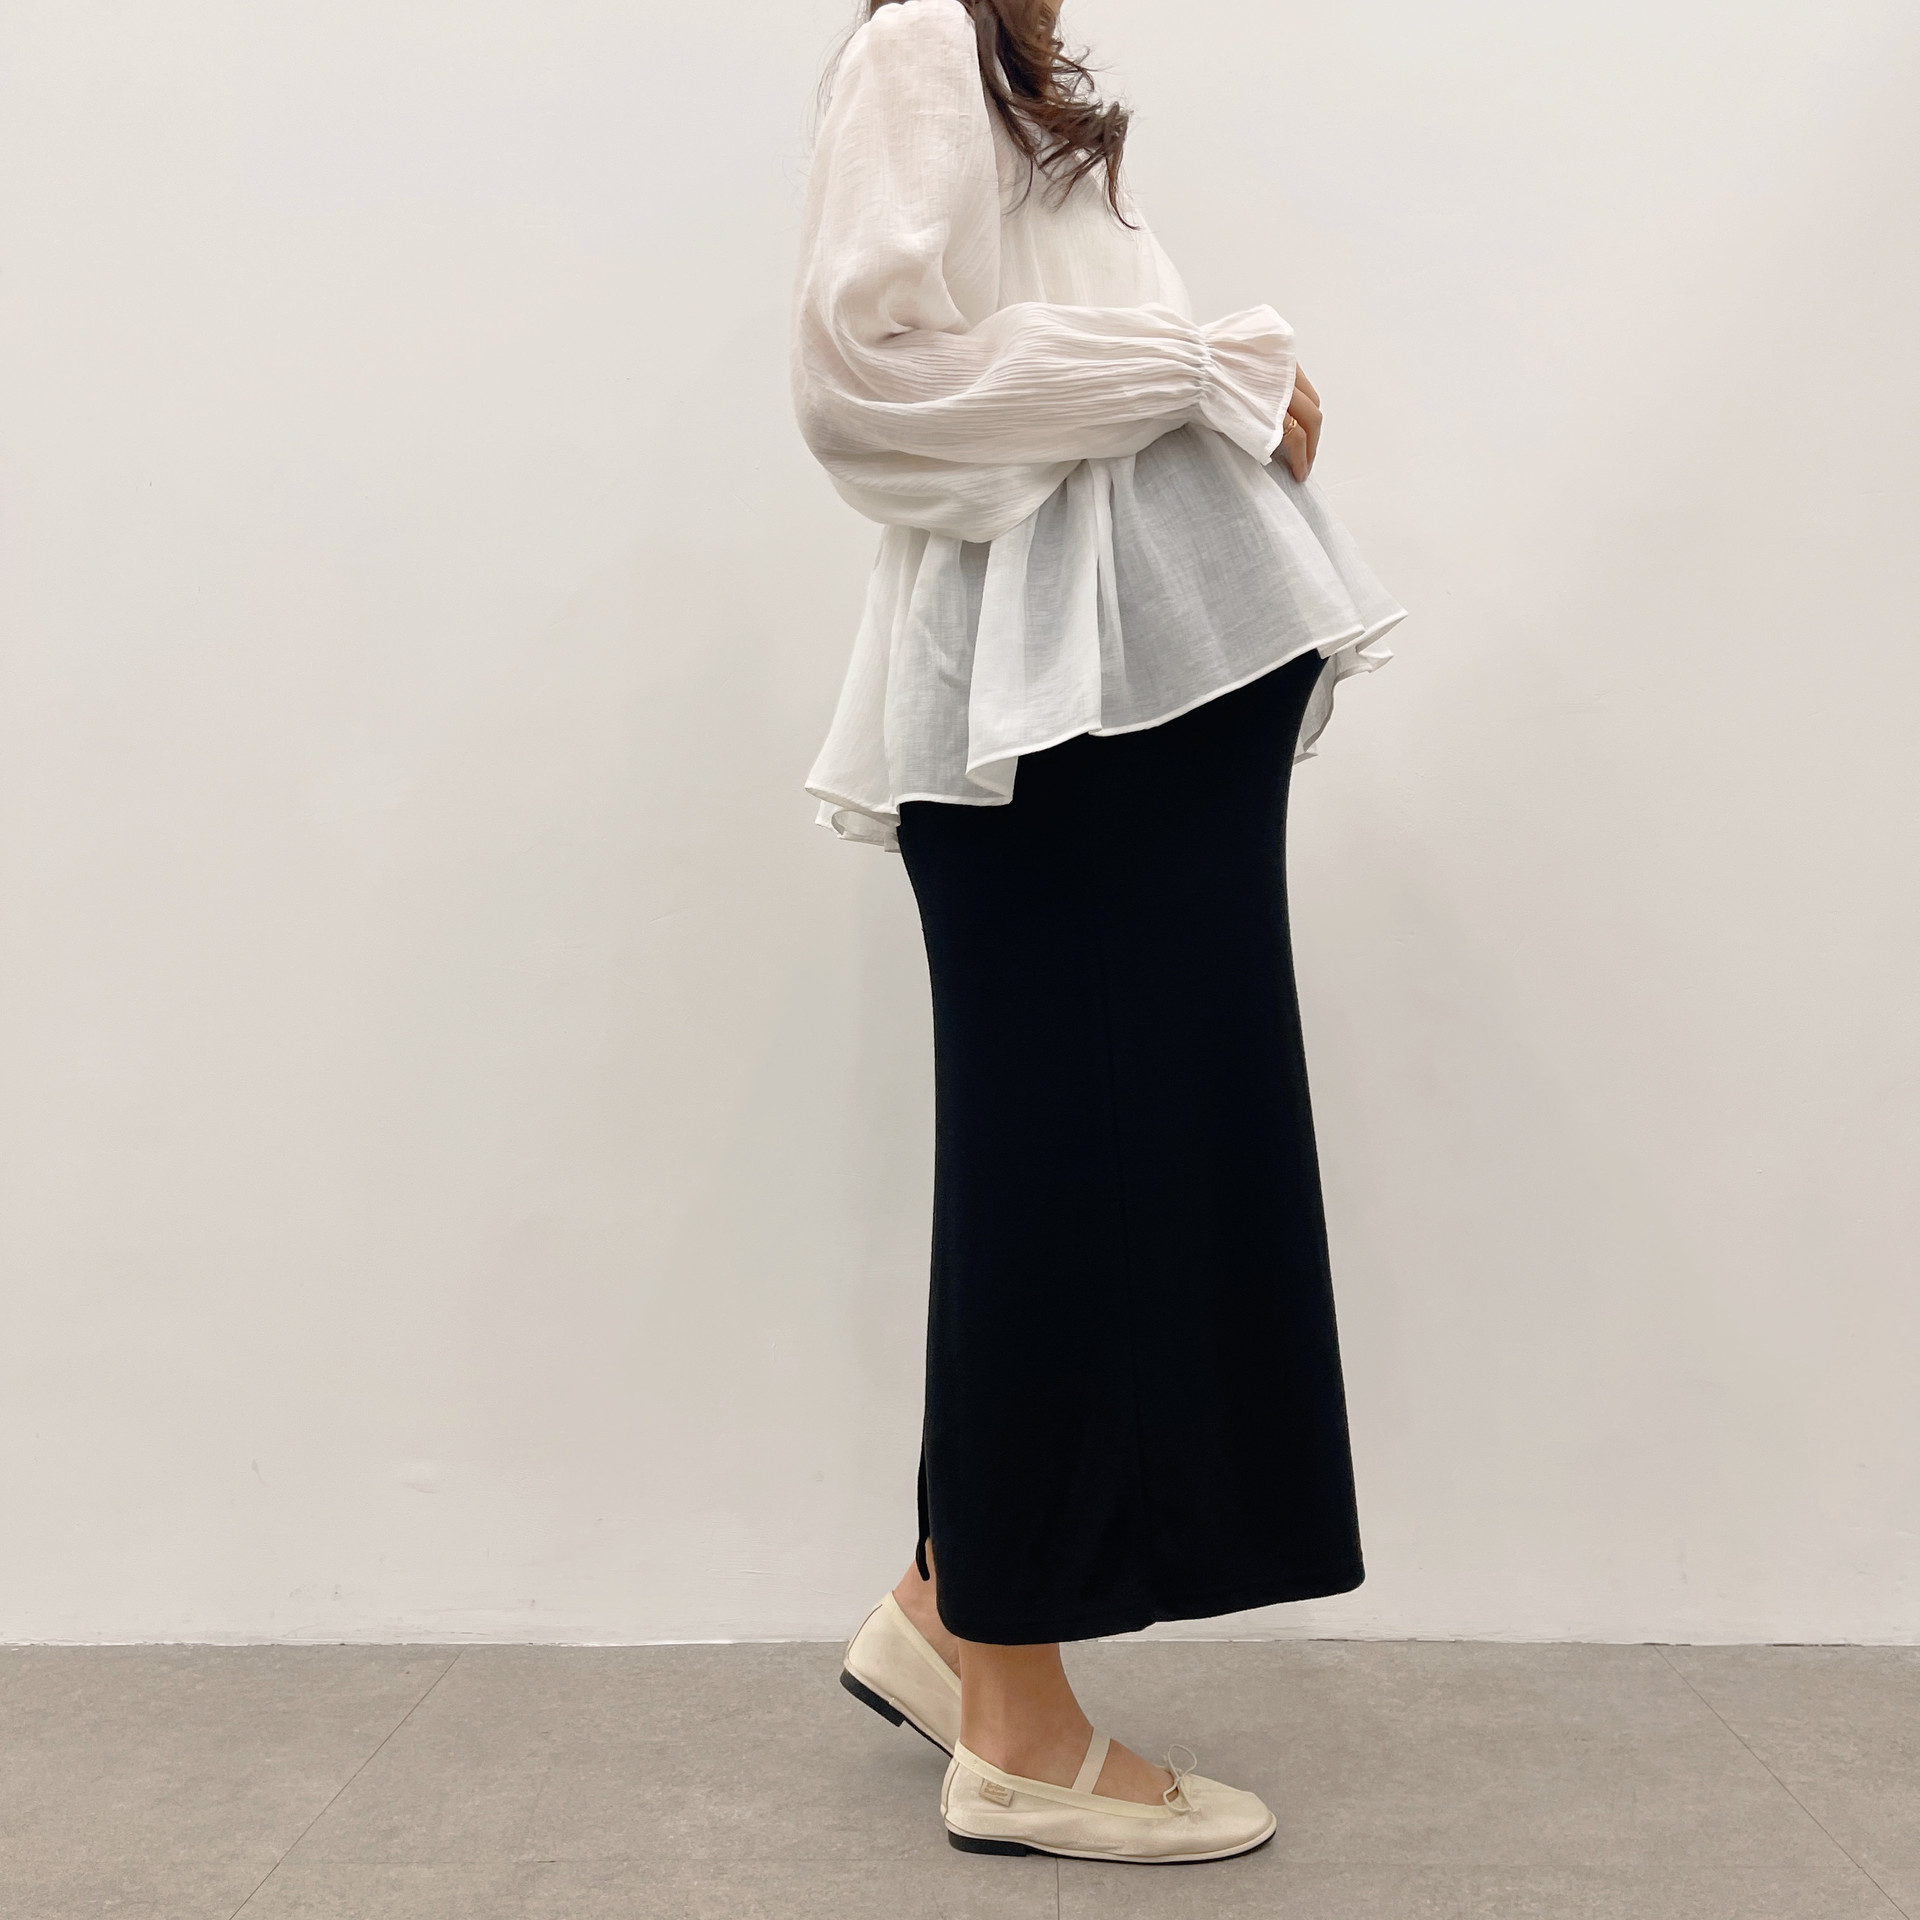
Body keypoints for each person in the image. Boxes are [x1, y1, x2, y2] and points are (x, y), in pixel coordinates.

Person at [790, 0, 1406, 1866]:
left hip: (1113, 721)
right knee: (1067, 1189)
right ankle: (1019, 1733)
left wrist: (1211, 391)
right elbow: (864, 385)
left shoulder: (1003, 79)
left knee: (1077, 1173)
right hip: (1062, 741)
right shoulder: (919, 37)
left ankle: (948, 1606)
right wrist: (1192, 373)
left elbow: (1008, 386)